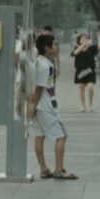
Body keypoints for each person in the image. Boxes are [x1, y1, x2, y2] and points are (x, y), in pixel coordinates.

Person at [29, 34, 76, 179]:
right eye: (53, 44)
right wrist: (34, 107)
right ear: (47, 48)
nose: (56, 47)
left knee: (39, 135)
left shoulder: (38, 62)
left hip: (40, 106)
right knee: (61, 135)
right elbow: (39, 88)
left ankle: (43, 169)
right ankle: (59, 169)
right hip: (46, 106)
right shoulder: (45, 65)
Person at [71, 32, 98, 111]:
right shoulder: (77, 48)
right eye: (83, 38)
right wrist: (82, 46)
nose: (85, 40)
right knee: (81, 89)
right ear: (79, 41)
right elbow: (74, 53)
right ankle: (83, 106)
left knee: (90, 88)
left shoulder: (91, 48)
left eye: (86, 38)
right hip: (80, 72)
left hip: (90, 71)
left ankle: (91, 105)